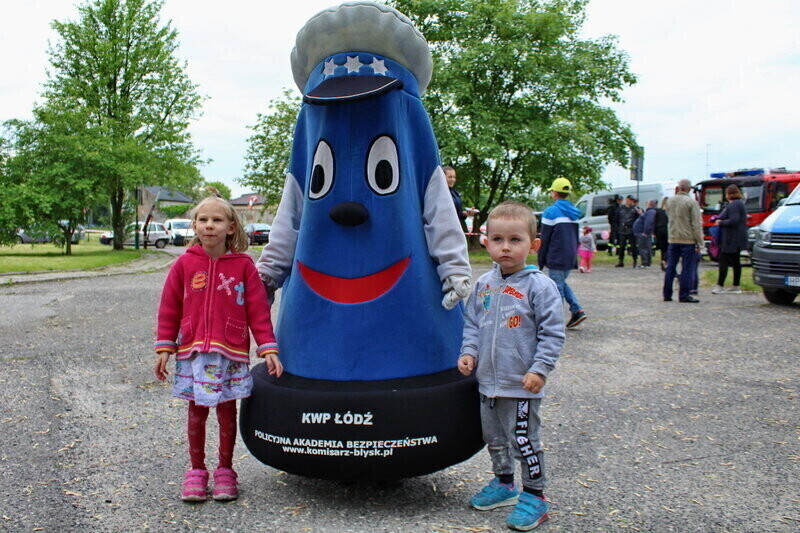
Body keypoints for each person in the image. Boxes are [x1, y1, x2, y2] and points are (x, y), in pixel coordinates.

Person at [153, 193, 283, 502]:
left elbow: (257, 310)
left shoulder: (243, 266)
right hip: (194, 351)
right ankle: (196, 471)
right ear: (195, 226)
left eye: (217, 220)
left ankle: (225, 471)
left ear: (231, 227)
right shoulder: (184, 264)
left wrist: (268, 348)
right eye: (203, 220)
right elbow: (169, 307)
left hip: (231, 351)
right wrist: (164, 346)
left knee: (227, 411)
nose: (209, 225)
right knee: (196, 412)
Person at [458, 201, 565, 531]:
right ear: (486, 241)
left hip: (521, 385)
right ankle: (504, 484)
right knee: (494, 438)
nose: (505, 247)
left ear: (533, 245)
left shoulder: (540, 286)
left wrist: (540, 368)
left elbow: (552, 332)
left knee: (524, 440)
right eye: (498, 239)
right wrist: (468, 353)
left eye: (515, 240)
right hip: (487, 382)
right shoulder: (483, 284)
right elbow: (472, 324)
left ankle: (535, 495)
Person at [539, 177, 586, 328]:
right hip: (570, 255)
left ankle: (555, 323)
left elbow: (544, 239)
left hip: (556, 255)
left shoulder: (550, 212)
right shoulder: (574, 212)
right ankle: (576, 310)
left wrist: (541, 260)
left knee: (556, 288)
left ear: (554, 193)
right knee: (561, 283)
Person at [662, 179, 704, 303]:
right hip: (688, 239)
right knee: (687, 268)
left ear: (678, 188)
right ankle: (684, 294)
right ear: (689, 189)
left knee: (671, 267)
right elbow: (696, 224)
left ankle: (667, 293)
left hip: (673, 238)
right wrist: (700, 242)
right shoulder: (691, 203)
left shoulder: (669, 201)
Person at [712, 184, 748, 294]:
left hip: (730, 239)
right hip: (737, 238)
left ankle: (720, 285)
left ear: (728, 194)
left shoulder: (733, 205)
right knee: (736, 262)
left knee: (723, 260)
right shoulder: (740, 204)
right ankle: (736, 285)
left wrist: (720, 222)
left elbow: (734, 220)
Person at [615, 195, 640, 267]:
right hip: (622, 229)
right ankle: (620, 261)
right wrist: (617, 228)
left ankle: (635, 260)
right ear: (627, 199)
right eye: (630, 200)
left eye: (632, 200)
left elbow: (638, 219)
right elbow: (616, 219)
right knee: (621, 246)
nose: (631, 201)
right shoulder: (620, 208)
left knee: (633, 246)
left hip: (631, 229)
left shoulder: (635, 209)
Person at [444, 165, 468, 232]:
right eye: (450, 177)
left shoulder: (455, 193)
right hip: (445, 229)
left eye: (454, 177)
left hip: (456, 228)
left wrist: (465, 214)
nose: (453, 180)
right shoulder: (439, 193)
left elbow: (457, 213)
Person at [637, 199, 658, 268]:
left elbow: (648, 222)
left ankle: (645, 263)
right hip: (646, 232)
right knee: (646, 247)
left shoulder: (650, 212)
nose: (646, 204)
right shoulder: (649, 212)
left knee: (643, 247)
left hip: (645, 233)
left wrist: (645, 232)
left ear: (650, 204)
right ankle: (647, 262)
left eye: (647, 203)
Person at [654, 198, 669, 271]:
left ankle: (663, 260)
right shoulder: (670, 212)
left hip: (659, 230)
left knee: (662, 248)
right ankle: (665, 260)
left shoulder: (658, 211)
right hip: (667, 229)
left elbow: (655, 221)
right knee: (668, 246)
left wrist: (654, 232)